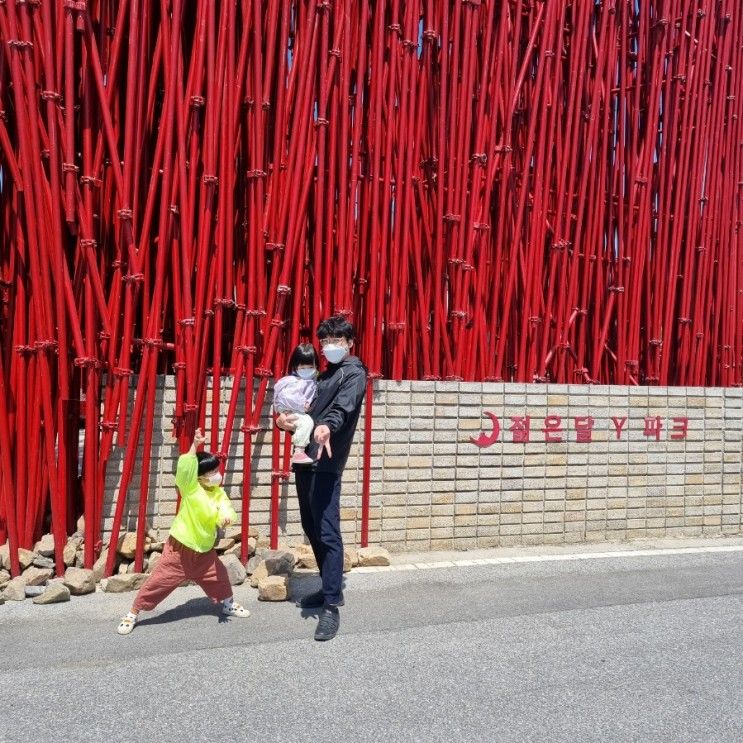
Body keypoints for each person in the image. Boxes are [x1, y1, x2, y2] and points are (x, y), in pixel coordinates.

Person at [276, 315, 367, 641]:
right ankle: (328, 587)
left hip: (327, 461)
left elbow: (341, 409)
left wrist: (328, 426)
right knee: (311, 525)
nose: (330, 347)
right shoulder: (324, 375)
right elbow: (304, 411)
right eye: (326, 342)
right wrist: (283, 421)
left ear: (350, 343)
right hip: (305, 459)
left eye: (337, 342)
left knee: (327, 530)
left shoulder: (354, 373)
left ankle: (331, 603)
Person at [116, 428, 251, 635]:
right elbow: (185, 469)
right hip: (180, 549)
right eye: (211, 472)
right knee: (158, 582)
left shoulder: (218, 493)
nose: (216, 475)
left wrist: (226, 519)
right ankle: (133, 613)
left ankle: (228, 604)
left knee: (220, 576)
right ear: (199, 476)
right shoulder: (190, 488)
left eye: (216, 470)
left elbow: (226, 509)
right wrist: (194, 446)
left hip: (204, 550)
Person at [273, 343, 320, 466]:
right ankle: (299, 451)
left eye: (310, 366)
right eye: (302, 367)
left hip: (318, 452)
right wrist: (301, 406)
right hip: (293, 411)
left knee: (305, 423)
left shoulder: (313, 381)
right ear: (295, 367)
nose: (306, 370)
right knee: (306, 422)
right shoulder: (293, 382)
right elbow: (287, 399)